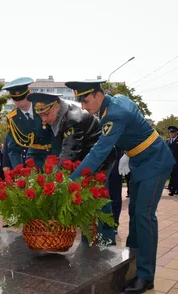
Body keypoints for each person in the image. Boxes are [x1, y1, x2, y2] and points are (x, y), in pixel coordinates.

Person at [65, 79, 174, 294]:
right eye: (81, 104)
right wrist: (129, 151)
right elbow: (134, 122)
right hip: (139, 161)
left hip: (155, 162)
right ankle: (132, 266)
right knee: (135, 213)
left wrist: (71, 181)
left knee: (144, 216)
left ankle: (145, 276)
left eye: (86, 101)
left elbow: (99, 152)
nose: (84, 107)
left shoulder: (113, 114)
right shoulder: (115, 102)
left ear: (98, 95)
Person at [27, 92, 117, 243]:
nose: (44, 120)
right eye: (41, 116)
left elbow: (70, 151)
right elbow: (59, 151)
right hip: (83, 158)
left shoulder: (73, 119)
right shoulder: (58, 116)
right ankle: (88, 238)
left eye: (46, 114)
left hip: (101, 159)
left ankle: (107, 239)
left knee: (99, 195)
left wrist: (57, 179)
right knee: (83, 199)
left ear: (56, 106)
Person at [2, 77, 54, 171]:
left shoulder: (43, 108)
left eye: (21, 98)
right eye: (15, 99)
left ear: (29, 94)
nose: (19, 102)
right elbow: (13, 148)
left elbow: (56, 135)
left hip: (52, 157)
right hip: (32, 161)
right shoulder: (13, 118)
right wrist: (18, 169)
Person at [166, 126, 178, 196]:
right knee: (174, 175)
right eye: (170, 132)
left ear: (176, 133)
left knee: (176, 175)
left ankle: (173, 190)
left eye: (172, 132)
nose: (171, 134)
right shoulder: (167, 141)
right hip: (170, 161)